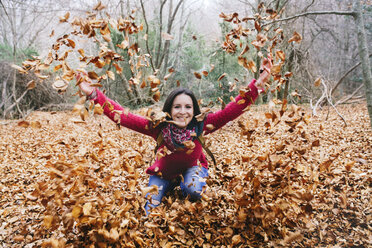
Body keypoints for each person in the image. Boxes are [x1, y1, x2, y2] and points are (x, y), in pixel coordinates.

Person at [76, 57, 272, 215]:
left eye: (188, 107)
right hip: (163, 173)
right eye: (177, 107)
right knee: (149, 209)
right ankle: (169, 184)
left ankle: (185, 181)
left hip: (194, 169)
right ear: (169, 110)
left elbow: (231, 111)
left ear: (194, 109)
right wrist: (94, 94)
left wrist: (257, 85)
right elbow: (124, 116)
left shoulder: (201, 124)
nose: (182, 112)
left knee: (193, 190)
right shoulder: (158, 126)